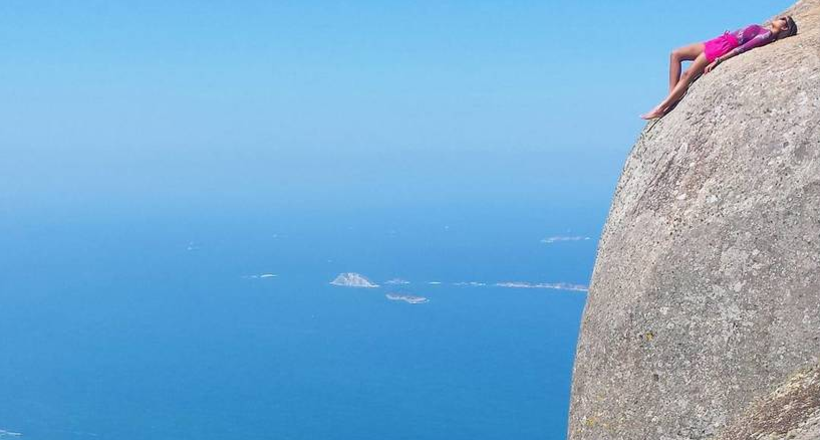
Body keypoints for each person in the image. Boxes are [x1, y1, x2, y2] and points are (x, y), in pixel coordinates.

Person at [640, 16, 797, 120]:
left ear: (784, 28)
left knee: (688, 74)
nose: (780, 18)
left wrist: (718, 60)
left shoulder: (767, 35)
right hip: (718, 41)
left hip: (723, 48)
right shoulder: (765, 30)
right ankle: (671, 99)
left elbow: (743, 48)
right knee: (676, 54)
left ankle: (661, 108)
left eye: (784, 20)